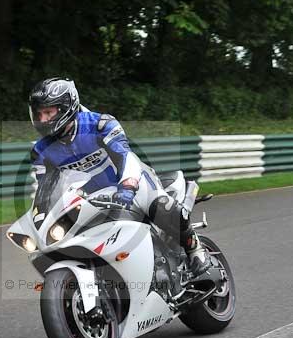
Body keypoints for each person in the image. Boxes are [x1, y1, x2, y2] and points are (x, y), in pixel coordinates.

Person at [28, 77, 209, 277]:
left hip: (130, 183)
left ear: (65, 108)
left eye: (48, 112)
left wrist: (128, 186)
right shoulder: (41, 151)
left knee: (161, 207)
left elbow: (125, 157)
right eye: (39, 113)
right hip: (91, 197)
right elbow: (43, 192)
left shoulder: (100, 125)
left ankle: (195, 250)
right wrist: (38, 221)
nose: (42, 119)